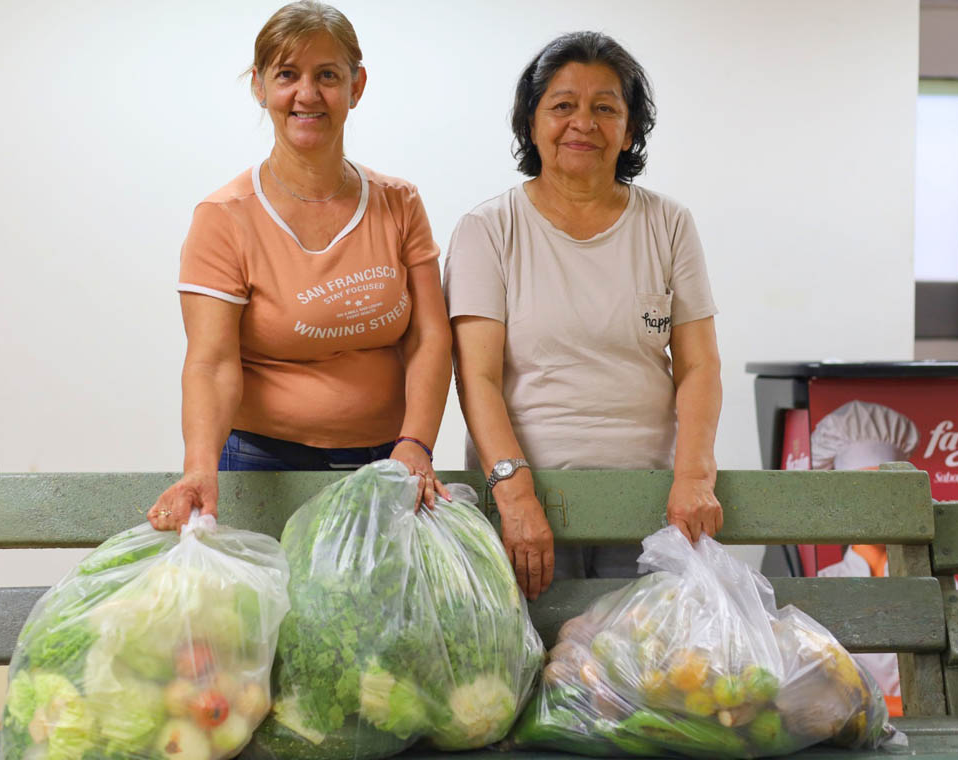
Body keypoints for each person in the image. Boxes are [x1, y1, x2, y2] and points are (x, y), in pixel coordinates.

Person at [148, 1, 451, 531]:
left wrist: (415, 442)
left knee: (371, 616)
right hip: (262, 465)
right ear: (260, 87)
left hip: (388, 460)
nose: (307, 94)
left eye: (327, 75)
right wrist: (199, 466)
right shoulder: (224, 219)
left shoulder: (399, 202)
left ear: (357, 87)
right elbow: (211, 363)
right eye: (287, 74)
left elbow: (429, 336)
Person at [445, 32, 723, 600]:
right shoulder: (488, 230)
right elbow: (476, 377)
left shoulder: (668, 224)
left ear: (631, 128)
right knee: (535, 676)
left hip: (649, 504)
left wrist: (694, 478)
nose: (583, 123)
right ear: (530, 122)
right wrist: (516, 497)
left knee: (644, 680)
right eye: (563, 105)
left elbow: (699, 366)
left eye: (605, 108)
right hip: (530, 504)